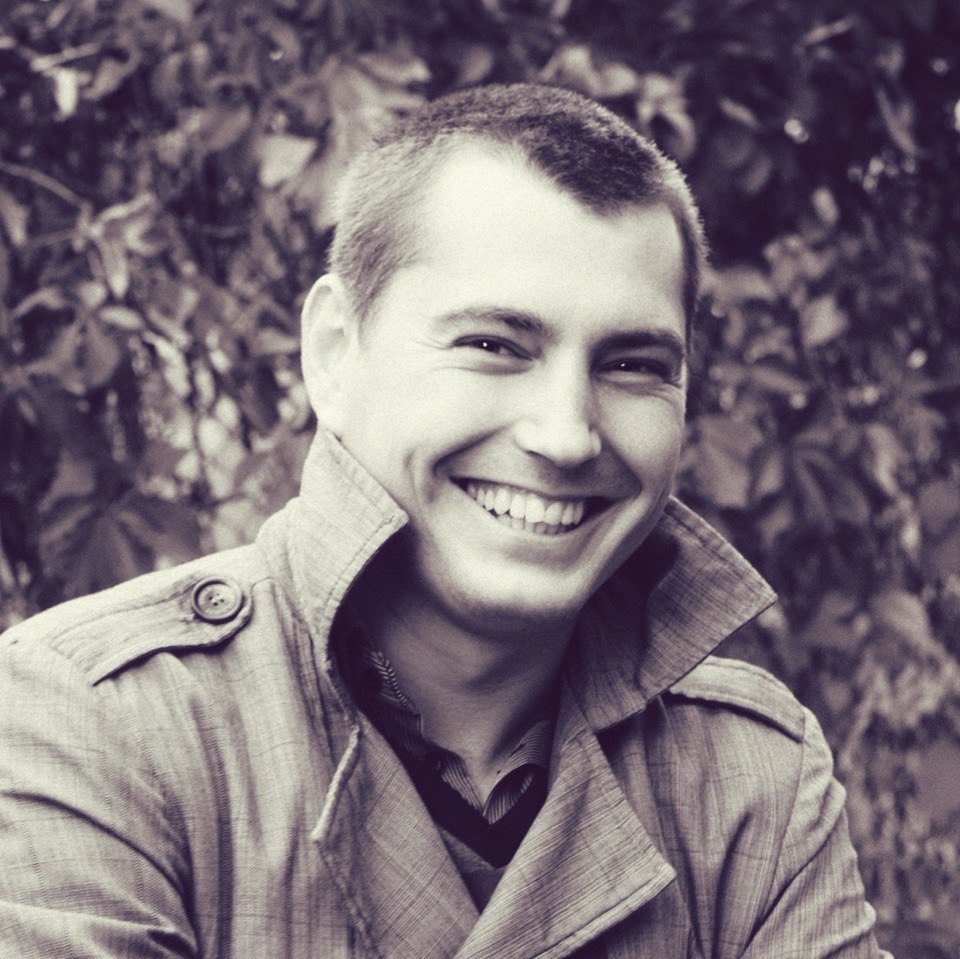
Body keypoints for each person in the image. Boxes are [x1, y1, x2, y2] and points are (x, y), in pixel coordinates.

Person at [0, 83, 888, 958]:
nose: (566, 435)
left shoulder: (750, 777)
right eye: (494, 345)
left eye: (631, 364)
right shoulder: (97, 720)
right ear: (333, 353)